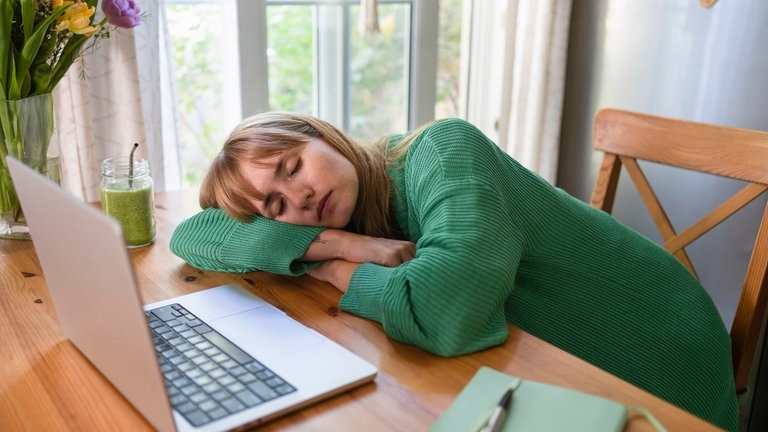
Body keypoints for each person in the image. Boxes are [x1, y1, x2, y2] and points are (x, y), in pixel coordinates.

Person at [170, 112, 738, 430]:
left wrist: (341, 273)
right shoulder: (346, 219)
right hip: (537, 358)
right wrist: (343, 243)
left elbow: (445, 313)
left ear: (320, 133)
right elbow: (191, 235)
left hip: (653, 349)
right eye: (274, 209)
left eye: (294, 166)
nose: (298, 197)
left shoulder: (445, 150)